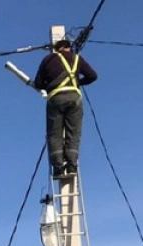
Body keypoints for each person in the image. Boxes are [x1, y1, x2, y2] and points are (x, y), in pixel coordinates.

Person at [33, 39, 98, 179]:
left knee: (54, 134)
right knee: (73, 133)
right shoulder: (76, 59)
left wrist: (50, 85)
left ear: (57, 49)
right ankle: (72, 166)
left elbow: (38, 83)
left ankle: (58, 168)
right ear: (68, 47)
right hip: (74, 98)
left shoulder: (47, 60)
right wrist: (77, 82)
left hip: (55, 98)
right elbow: (93, 76)